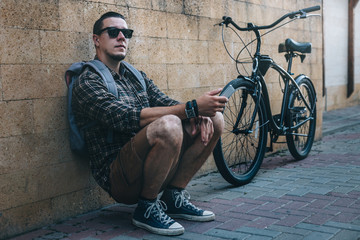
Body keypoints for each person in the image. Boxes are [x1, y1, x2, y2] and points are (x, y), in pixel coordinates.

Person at [72, 11, 228, 236]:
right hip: (119, 177)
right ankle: (145, 208)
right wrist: (192, 107)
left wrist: (198, 113)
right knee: (169, 125)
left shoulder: (135, 75)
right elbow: (125, 117)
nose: (121, 38)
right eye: (113, 32)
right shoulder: (88, 80)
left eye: (126, 33)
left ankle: (173, 197)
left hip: (151, 164)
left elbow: (165, 102)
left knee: (215, 118)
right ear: (97, 40)